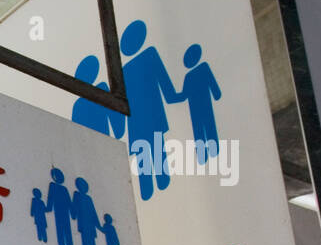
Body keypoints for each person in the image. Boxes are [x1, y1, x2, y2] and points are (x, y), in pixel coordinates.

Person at [121, 20, 183, 200]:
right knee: (155, 149)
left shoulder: (124, 69)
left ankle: (151, 189)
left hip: (137, 120)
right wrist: (175, 96)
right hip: (148, 117)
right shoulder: (147, 56)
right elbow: (164, 83)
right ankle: (159, 184)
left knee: (145, 152)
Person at [181, 44, 223, 164]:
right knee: (203, 128)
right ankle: (204, 155)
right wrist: (216, 93)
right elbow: (184, 94)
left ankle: (210, 153)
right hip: (199, 107)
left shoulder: (200, 69)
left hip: (199, 106)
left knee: (204, 128)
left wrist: (216, 93)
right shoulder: (189, 76)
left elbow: (183, 95)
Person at [70, 55, 126, 140]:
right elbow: (118, 127)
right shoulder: (101, 88)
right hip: (102, 142)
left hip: (90, 145)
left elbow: (75, 135)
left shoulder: (78, 104)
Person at [72, 177, 101, 245]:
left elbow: (93, 212)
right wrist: (73, 215)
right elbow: (74, 206)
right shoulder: (76, 195)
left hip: (90, 223)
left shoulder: (89, 198)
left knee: (91, 239)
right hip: (83, 221)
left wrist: (98, 225)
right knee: (85, 237)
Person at [45, 168, 73, 245]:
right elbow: (50, 197)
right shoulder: (52, 186)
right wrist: (49, 208)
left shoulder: (64, 189)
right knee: (60, 225)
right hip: (58, 209)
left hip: (65, 210)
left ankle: (69, 244)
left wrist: (72, 212)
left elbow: (69, 201)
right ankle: (61, 242)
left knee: (67, 226)